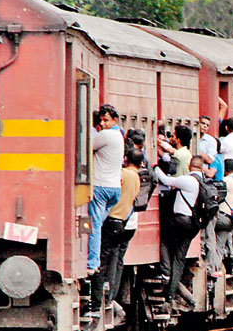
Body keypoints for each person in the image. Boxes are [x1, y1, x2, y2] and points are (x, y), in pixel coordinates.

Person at [88, 148, 142, 315]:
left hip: (111, 221)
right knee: (115, 261)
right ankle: (109, 296)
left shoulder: (123, 174)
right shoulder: (137, 177)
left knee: (101, 261)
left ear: (125, 159)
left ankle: (96, 302)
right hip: (123, 223)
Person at [155, 155, 205, 309]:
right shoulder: (203, 183)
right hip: (193, 225)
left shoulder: (188, 180)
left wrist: (154, 166)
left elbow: (166, 180)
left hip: (179, 220)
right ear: (202, 168)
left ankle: (165, 272)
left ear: (190, 166)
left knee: (164, 240)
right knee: (179, 259)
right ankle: (170, 294)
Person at [88, 105, 124, 273]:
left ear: (115, 120)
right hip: (114, 189)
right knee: (98, 225)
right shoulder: (119, 135)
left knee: (94, 226)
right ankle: (95, 258)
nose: (102, 123)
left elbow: (87, 146)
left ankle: (92, 262)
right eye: (101, 120)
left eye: (106, 120)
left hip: (101, 187)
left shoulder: (105, 135)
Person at [210, 159, 233, 278]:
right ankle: (215, 269)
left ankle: (208, 267)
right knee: (219, 246)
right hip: (231, 220)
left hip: (221, 217)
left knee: (208, 233)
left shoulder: (226, 181)